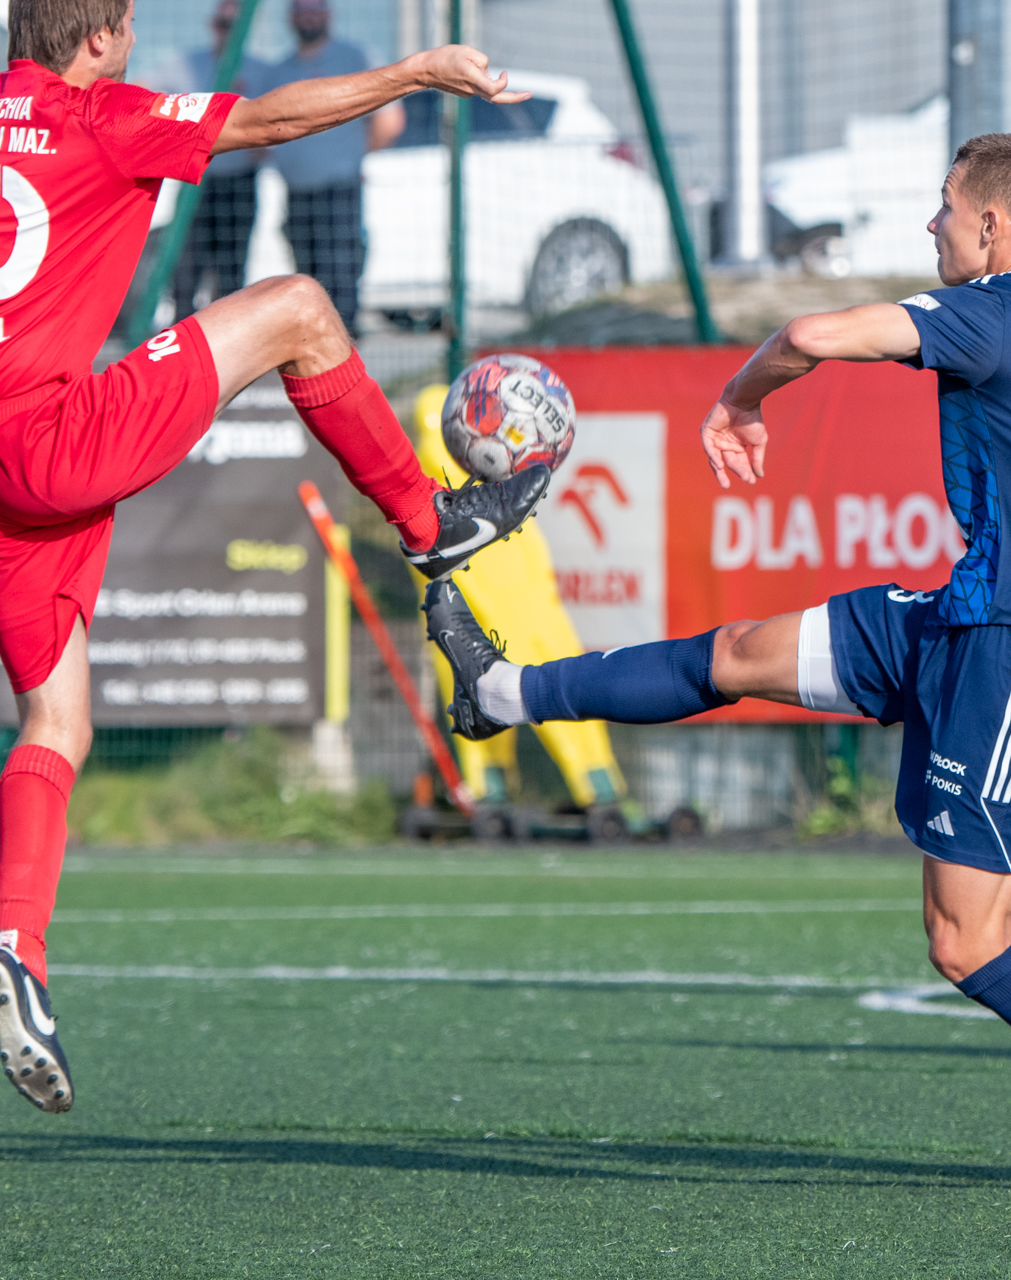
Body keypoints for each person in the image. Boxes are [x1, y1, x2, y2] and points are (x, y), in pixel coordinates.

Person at [428, 133, 1011, 1195]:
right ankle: (499, 693)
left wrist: (740, 400)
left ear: (992, 226)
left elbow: (810, 334)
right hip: (956, 617)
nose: (932, 224)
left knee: (968, 942)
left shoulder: (990, 310)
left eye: (945, 206)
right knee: (737, 654)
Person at [0, 0, 549, 1115]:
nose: (135, 44)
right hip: (47, 445)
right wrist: (413, 72)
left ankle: (17, 950)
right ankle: (431, 523)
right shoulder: (102, 114)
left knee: (58, 720)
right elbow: (268, 121)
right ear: (99, 39)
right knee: (299, 306)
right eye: (128, 28)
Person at [258, 0, 403, 336]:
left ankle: (345, 350)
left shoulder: (356, 59)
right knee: (305, 285)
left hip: (339, 191)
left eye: (315, 7)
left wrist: (348, 157)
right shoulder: (279, 71)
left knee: (340, 282)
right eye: (301, 9)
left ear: (328, 14)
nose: (308, 15)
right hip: (296, 194)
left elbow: (390, 122)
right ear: (291, 17)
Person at [150, 0, 271, 320]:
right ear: (212, 26)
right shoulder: (185, 65)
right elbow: (141, 94)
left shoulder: (260, 70)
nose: (227, 32)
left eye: (234, 26)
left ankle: (226, 337)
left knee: (232, 272)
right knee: (186, 269)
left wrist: (266, 147)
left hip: (239, 182)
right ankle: (181, 333)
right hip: (196, 182)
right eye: (222, 24)